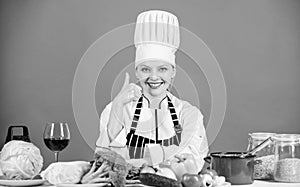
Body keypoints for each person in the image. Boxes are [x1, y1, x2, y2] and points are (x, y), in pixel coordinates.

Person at [95, 10, 208, 171]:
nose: (154, 77)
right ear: (136, 72)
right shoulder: (116, 109)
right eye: (145, 69)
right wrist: (118, 106)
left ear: (173, 71)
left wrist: (129, 157)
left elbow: (192, 160)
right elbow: (105, 158)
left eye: (162, 69)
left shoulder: (190, 114)